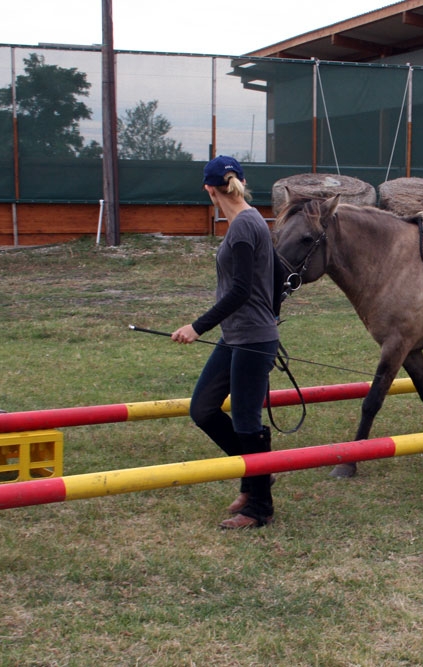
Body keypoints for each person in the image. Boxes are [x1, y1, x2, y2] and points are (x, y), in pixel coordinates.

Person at [171, 155, 279, 530]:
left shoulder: (245, 226)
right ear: (241, 182)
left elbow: (242, 290)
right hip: (236, 335)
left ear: (209, 189)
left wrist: (197, 326)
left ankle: (259, 508)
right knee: (203, 409)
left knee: (247, 422)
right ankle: (258, 474)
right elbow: (277, 276)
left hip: (251, 338)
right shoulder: (247, 222)